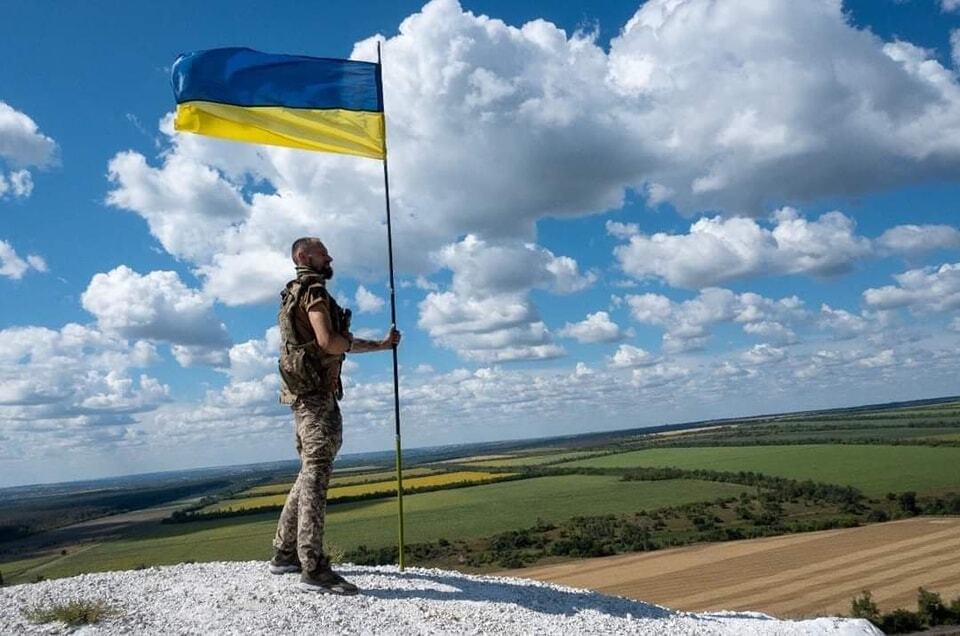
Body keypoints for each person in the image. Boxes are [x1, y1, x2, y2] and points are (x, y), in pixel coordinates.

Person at [269, 237, 401, 594]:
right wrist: (350, 342)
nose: (330, 257)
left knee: (309, 471)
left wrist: (379, 345)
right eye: (322, 253)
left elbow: (330, 343)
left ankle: (284, 553)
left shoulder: (293, 293)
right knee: (316, 475)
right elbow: (329, 342)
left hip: (304, 396)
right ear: (303, 257)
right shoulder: (313, 290)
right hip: (315, 399)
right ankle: (312, 567)